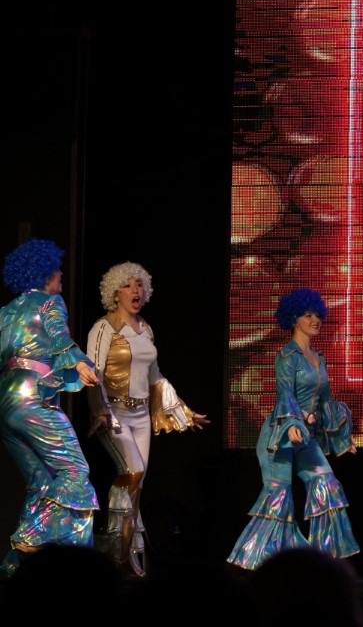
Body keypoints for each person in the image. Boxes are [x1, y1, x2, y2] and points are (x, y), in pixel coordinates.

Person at [84, 262, 208, 577]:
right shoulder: (104, 328)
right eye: (127, 285)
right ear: (115, 294)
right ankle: (117, 552)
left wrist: (182, 411)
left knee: (136, 484)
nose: (135, 290)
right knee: (131, 472)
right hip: (114, 414)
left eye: (139, 284)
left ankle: (122, 555)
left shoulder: (146, 329)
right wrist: (100, 410)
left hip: (140, 416)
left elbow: (156, 377)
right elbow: (93, 373)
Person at [228, 289, 360, 569]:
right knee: (279, 496)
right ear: (293, 319)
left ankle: (324, 558)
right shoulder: (286, 356)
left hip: (306, 436)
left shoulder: (318, 357)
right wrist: (290, 425)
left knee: (326, 483)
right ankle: (257, 562)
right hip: (279, 436)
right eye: (307, 315)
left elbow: (325, 402)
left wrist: (342, 437)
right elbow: (285, 394)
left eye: (317, 314)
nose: (315, 320)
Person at [0, 240, 100, 576]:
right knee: (75, 471)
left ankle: (16, 567)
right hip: (33, 398)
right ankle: (67, 563)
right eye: (57, 269)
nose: (60, 274)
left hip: (5, 401)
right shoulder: (50, 301)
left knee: (40, 481)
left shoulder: (7, 311)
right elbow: (59, 336)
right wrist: (81, 363)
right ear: (45, 273)